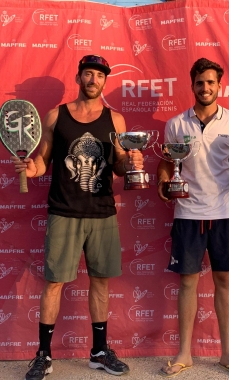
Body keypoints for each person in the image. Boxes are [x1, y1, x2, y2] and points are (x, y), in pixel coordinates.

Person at [11, 54, 144, 380]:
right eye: (88, 73)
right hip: (64, 212)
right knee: (54, 282)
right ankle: (43, 355)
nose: (93, 79)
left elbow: (118, 166)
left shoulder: (117, 121)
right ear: (78, 77)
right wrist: (32, 168)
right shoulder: (56, 116)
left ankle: (99, 351)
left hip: (102, 212)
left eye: (99, 75)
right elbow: (43, 161)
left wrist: (132, 164)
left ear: (104, 81)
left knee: (100, 281)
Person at [157, 57, 229, 379]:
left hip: (224, 212)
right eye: (200, 82)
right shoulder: (176, 124)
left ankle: (228, 353)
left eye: (210, 82)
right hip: (188, 212)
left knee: (225, 282)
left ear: (218, 86)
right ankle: (184, 354)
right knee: (187, 283)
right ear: (192, 85)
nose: (205, 87)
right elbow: (168, 163)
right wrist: (163, 184)